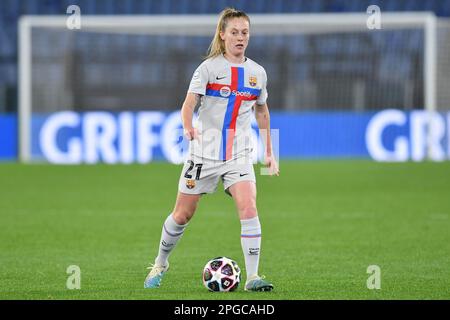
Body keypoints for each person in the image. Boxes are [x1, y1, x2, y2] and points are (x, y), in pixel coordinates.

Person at [144, 7, 279, 292]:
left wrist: (270, 151)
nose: (240, 37)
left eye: (245, 32)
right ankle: (160, 262)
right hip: (203, 153)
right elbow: (189, 104)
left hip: (239, 153)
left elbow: (262, 111)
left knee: (249, 207)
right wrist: (187, 126)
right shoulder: (207, 69)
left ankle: (253, 277)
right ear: (222, 34)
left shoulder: (258, 73)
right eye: (234, 32)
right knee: (182, 215)